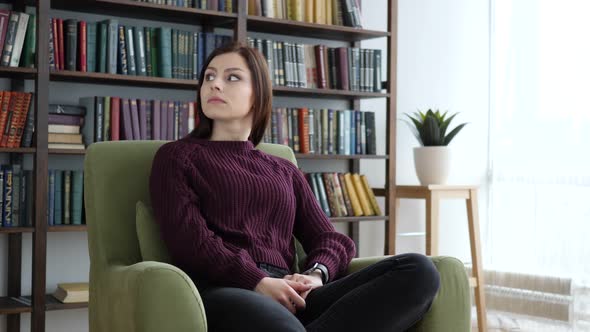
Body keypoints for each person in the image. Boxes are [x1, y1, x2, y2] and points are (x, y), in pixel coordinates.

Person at [149, 42, 440, 332]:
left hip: (292, 292)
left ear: (258, 94)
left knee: (418, 271)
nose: (215, 85)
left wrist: (315, 275)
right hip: (224, 290)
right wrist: (257, 280)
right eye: (209, 77)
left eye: (232, 77)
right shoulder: (177, 157)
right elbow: (191, 242)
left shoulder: (283, 169)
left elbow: (329, 238)